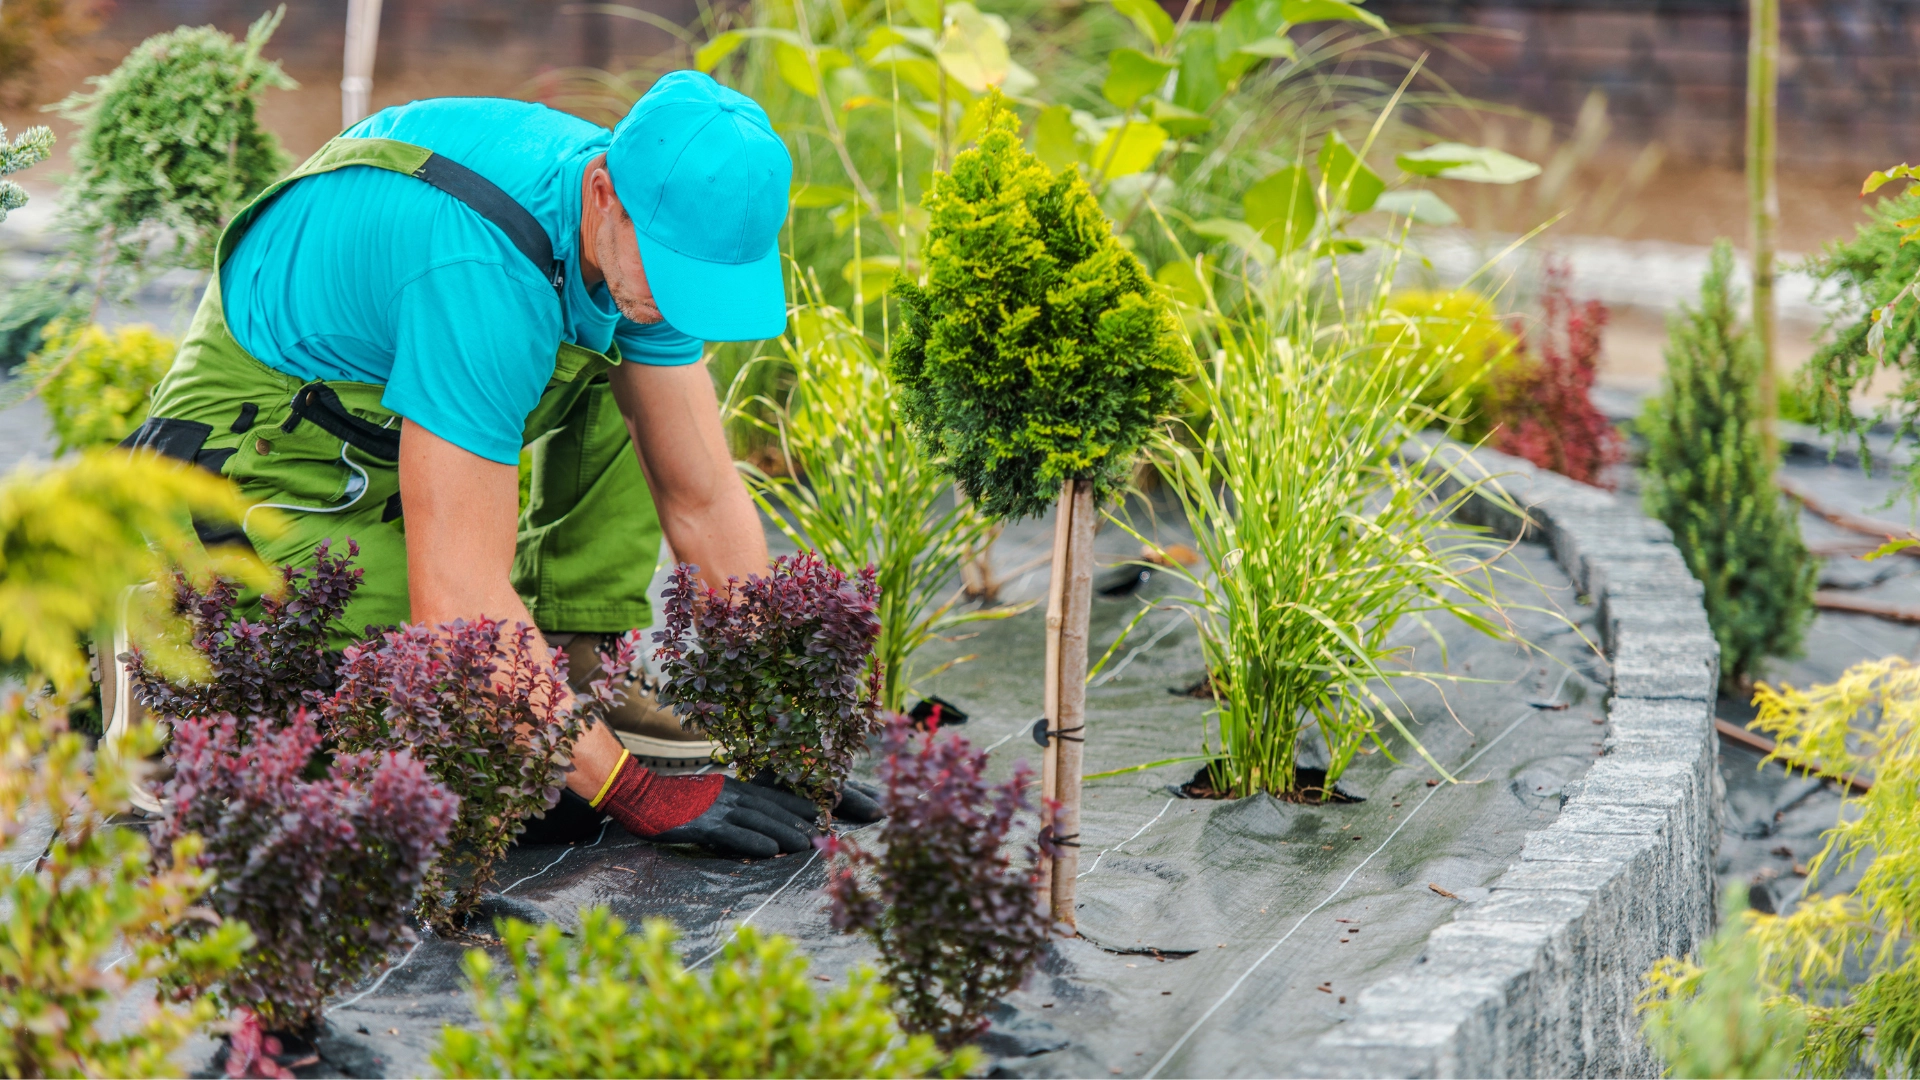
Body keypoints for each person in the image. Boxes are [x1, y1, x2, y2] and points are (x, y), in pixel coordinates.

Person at [113, 71, 870, 857]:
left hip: (383, 415)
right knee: (445, 764)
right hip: (254, 448)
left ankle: (582, 660)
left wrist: (785, 732)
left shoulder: (640, 238)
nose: (683, 305)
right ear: (604, 192)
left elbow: (703, 498)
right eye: (674, 272)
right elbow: (458, 600)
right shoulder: (480, 270)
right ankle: (161, 637)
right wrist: (632, 791)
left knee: (641, 390)